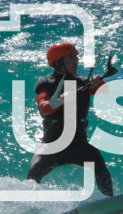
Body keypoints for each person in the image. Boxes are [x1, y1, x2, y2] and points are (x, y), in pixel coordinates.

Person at [26, 42, 114, 196]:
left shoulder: (82, 81)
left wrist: (100, 82)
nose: (76, 60)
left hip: (78, 146)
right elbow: (44, 107)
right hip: (52, 146)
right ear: (58, 62)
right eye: (71, 57)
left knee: (99, 163)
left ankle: (110, 201)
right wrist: (60, 100)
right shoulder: (45, 83)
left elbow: (105, 92)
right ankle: (25, 203)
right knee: (34, 171)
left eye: (76, 57)